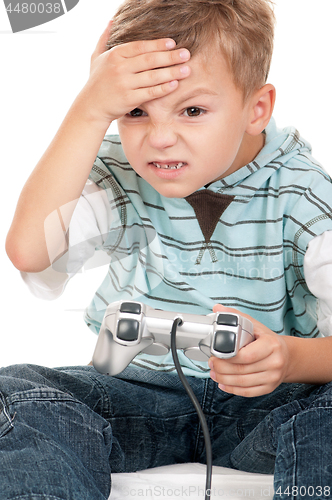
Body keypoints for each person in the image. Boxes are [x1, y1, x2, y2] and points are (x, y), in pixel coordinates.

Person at [3, 0, 332, 498]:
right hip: (138, 394)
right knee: (21, 393)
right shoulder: (122, 170)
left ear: (256, 108)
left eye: (193, 111)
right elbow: (31, 252)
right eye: (135, 112)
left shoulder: (305, 195)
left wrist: (289, 359)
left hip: (271, 403)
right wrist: (89, 109)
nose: (159, 138)